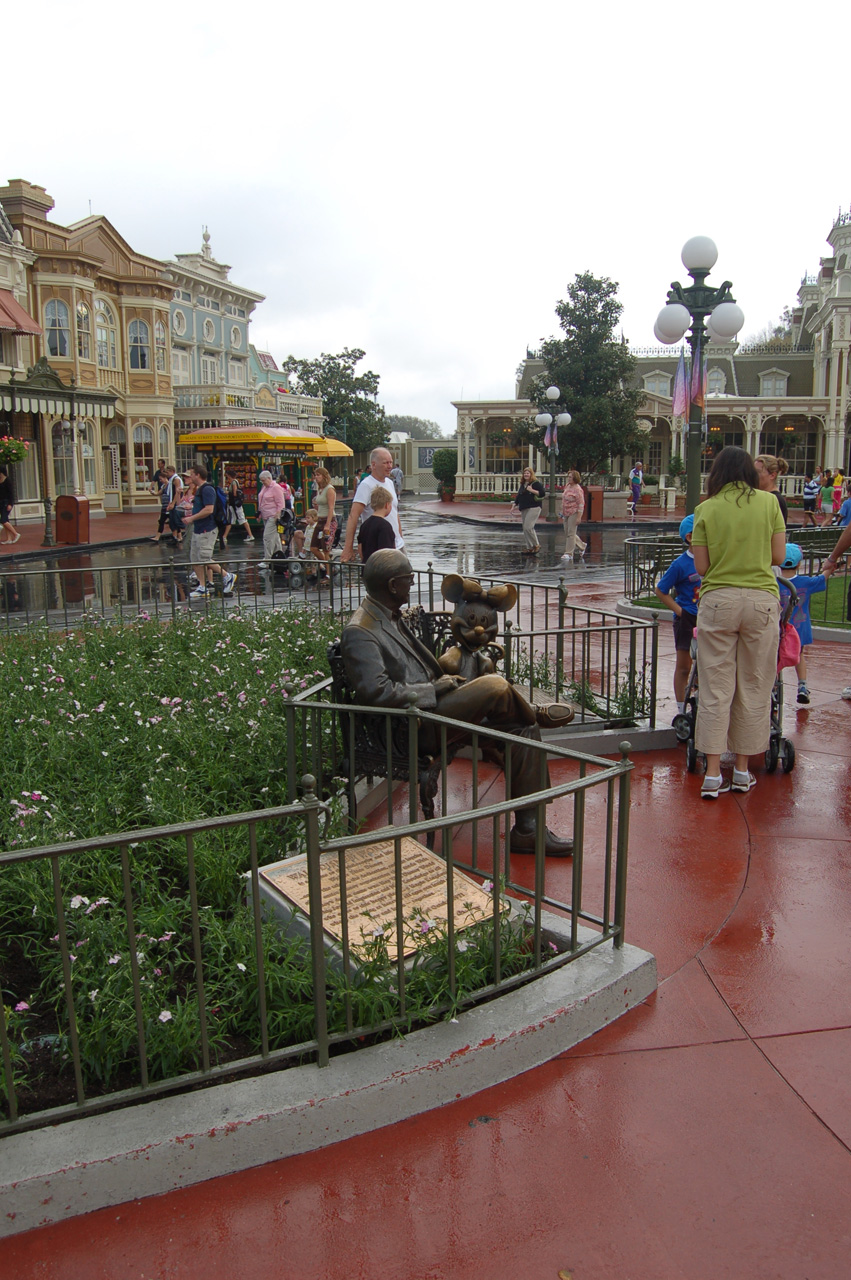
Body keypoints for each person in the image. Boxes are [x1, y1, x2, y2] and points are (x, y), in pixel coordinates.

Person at [340, 549, 573, 855]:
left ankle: (528, 830)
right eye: (409, 579)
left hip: (435, 707)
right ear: (393, 585)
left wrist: (440, 688)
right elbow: (377, 692)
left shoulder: (387, 616)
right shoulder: (361, 631)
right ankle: (534, 711)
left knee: (522, 731)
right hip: (414, 726)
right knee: (495, 685)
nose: (412, 584)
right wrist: (432, 690)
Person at [690, 446, 786, 798]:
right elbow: (778, 556)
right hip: (761, 600)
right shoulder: (768, 503)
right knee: (755, 685)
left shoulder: (706, 508)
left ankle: (713, 774)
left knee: (715, 687)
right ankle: (743, 770)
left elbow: (701, 567)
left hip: (719, 601)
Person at [654, 514, 702, 715]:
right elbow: (661, 590)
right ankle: (682, 708)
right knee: (685, 665)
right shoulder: (680, 564)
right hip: (688, 618)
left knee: (707, 664)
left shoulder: (714, 558)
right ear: (690, 537)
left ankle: (701, 703)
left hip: (710, 615)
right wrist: (680, 611)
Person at [777, 543, 826, 705]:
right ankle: (802, 685)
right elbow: (823, 577)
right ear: (799, 563)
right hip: (799, 627)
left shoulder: (773, 582)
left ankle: (773, 688)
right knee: (799, 655)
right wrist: (829, 565)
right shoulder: (806, 582)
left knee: (776, 658)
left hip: (779, 627)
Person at [341, 447, 404, 563]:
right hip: (379, 547)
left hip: (397, 544)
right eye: (385, 463)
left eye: (391, 462)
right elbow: (353, 516)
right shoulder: (366, 485)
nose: (390, 466)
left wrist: (400, 536)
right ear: (373, 465)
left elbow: (395, 513)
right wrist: (348, 547)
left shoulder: (390, 483)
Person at [182, 465, 236, 599]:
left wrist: (191, 518)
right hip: (199, 528)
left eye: (192, 474)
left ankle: (227, 576)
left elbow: (209, 509)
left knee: (204, 558)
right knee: (194, 558)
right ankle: (202, 586)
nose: (190, 477)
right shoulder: (199, 490)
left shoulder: (207, 490)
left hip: (207, 528)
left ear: (198, 475)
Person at [310, 466, 337, 586]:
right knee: (314, 547)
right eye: (315, 475)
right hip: (320, 519)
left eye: (318, 475)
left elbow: (331, 507)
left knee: (326, 549)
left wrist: (328, 524)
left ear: (324, 476)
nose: (316, 478)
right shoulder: (319, 489)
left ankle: (328, 574)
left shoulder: (329, 489)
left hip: (328, 520)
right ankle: (329, 566)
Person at [509, 467, 545, 554]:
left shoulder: (535, 483)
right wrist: (514, 504)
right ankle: (530, 547)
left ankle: (536, 544)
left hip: (534, 507)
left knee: (528, 527)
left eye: (528, 473)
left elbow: (542, 493)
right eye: (525, 473)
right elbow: (519, 495)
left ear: (531, 474)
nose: (526, 475)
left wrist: (532, 490)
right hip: (524, 507)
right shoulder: (523, 484)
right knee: (525, 528)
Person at [358, 486, 396, 563]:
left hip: (367, 569)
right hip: (380, 572)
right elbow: (387, 554)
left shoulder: (364, 525)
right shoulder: (385, 526)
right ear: (387, 505)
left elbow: (360, 550)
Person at [257, 469, 287, 565]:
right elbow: (261, 501)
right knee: (275, 538)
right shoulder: (264, 487)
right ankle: (278, 557)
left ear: (269, 478)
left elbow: (281, 503)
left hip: (273, 516)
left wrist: (278, 515)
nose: (262, 482)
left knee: (268, 537)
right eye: (261, 480)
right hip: (265, 515)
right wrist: (259, 513)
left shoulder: (276, 488)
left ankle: (267, 559)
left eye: (263, 480)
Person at [754, 454, 789, 524]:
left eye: (757, 472)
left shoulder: (776, 500)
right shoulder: (761, 496)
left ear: (772, 475)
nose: (753, 475)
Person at [222, 472, 254, 547]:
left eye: (227, 477)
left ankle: (250, 535)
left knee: (241, 519)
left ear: (230, 476)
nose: (227, 479)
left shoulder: (233, 482)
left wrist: (227, 492)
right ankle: (224, 536)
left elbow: (234, 493)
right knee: (232, 519)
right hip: (235, 505)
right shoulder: (235, 482)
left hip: (235, 505)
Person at [560, 470, 587, 560]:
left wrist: (579, 517)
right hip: (565, 512)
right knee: (567, 531)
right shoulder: (567, 486)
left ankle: (569, 553)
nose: (569, 478)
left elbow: (581, 504)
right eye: (568, 477)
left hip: (574, 512)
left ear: (575, 478)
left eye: (570, 477)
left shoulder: (578, 490)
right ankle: (582, 545)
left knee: (571, 533)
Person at [0, 466, 20, 544]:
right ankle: (9, 539)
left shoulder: (7, 481)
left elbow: (11, 494)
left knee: (3, 520)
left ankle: (15, 534)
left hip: (6, 502)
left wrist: (10, 504)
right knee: (6, 520)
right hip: (1, 502)